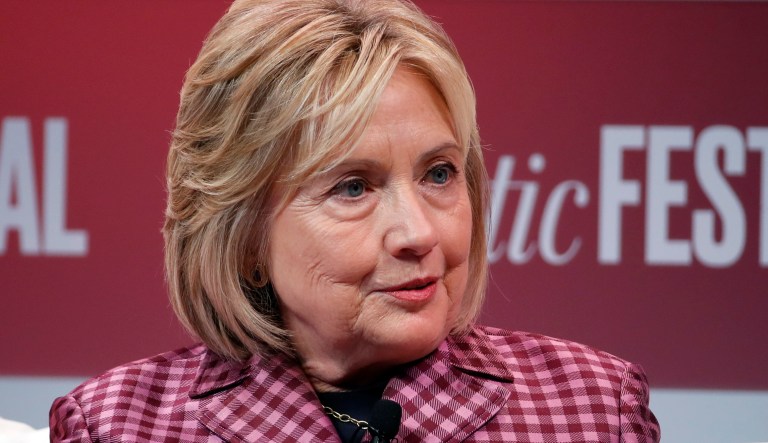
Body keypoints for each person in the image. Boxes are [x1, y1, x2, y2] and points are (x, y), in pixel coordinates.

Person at [50, 0, 660, 441]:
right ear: (245, 241)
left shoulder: (593, 408)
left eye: (439, 174)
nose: (419, 233)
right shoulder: (116, 425)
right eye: (352, 187)